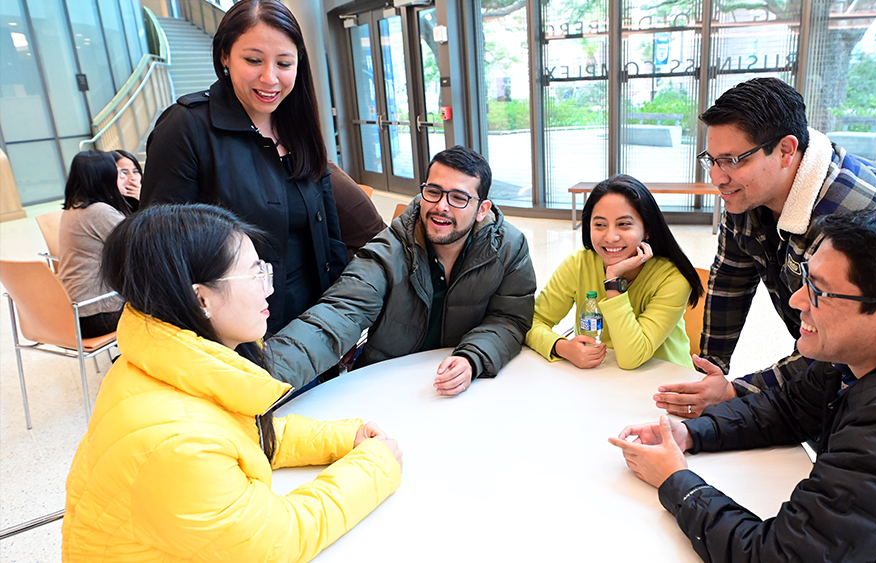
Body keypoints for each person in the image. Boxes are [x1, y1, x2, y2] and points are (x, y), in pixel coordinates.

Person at [610, 209, 876, 562]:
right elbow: (788, 407)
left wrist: (677, 482)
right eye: (805, 280)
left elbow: (778, 557)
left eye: (820, 291)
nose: (797, 301)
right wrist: (691, 433)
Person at [62, 204, 403, 562]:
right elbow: (275, 542)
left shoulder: (162, 360)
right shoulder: (179, 443)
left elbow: (244, 436)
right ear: (201, 299)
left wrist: (344, 438)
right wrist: (374, 466)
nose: (267, 290)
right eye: (255, 275)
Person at [656, 77, 876, 417]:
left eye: (733, 160)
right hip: (866, 313)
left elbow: (840, 334)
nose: (717, 176)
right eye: (712, 159)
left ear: (787, 150)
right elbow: (731, 277)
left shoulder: (849, 217)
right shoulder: (745, 192)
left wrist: (737, 391)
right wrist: (709, 369)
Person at [141, 0, 352, 333]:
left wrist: (341, 319)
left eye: (284, 63)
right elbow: (160, 253)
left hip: (313, 327)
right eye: (253, 60)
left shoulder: (299, 126)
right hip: (239, 336)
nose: (270, 78)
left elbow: (328, 236)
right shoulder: (187, 127)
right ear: (225, 56)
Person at [267, 145, 536, 395]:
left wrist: (472, 357)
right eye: (433, 192)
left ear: (481, 209)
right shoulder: (391, 248)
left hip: (465, 392)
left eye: (458, 198)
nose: (441, 205)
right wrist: (259, 373)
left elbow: (509, 319)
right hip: (388, 386)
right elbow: (339, 312)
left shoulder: (509, 248)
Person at [525, 174, 703, 370]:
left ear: (647, 229)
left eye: (624, 224)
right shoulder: (579, 263)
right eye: (600, 225)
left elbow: (632, 358)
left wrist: (613, 282)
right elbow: (531, 321)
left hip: (664, 385)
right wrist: (563, 347)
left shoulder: (673, 278)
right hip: (597, 379)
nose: (610, 237)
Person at [57, 150, 128, 337]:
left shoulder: (75, 207)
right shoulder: (98, 212)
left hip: (75, 312)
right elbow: (140, 246)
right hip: (97, 315)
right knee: (164, 305)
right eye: (119, 173)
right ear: (104, 178)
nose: (124, 178)